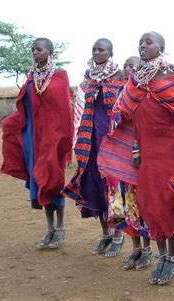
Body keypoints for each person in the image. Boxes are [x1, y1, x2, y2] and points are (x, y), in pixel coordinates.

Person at [106, 31, 174, 284]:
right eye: (140, 43)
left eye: (148, 42)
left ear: (162, 47)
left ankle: (172, 257)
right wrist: (134, 148)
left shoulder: (173, 74)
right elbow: (127, 116)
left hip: (171, 150)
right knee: (150, 203)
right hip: (145, 151)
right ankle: (161, 255)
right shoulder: (135, 79)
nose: (143, 46)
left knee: (168, 201)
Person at [1, 38, 73, 249]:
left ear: (50, 52)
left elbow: (64, 112)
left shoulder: (59, 77)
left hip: (53, 138)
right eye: (32, 49)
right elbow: (26, 107)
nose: (34, 52)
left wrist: (62, 141)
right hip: (33, 137)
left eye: (39, 49)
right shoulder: (32, 77)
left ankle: (60, 227)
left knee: (53, 180)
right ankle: (49, 228)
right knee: (40, 180)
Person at [63, 38, 126, 257]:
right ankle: (105, 233)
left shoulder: (119, 76)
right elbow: (80, 109)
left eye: (102, 49)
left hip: (110, 140)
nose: (97, 52)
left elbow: (122, 108)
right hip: (88, 140)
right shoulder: (88, 77)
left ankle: (119, 234)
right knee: (93, 185)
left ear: (111, 52)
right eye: (94, 49)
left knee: (112, 185)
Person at [97, 55, 153, 270]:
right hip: (123, 157)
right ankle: (136, 248)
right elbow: (115, 122)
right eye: (127, 66)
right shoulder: (123, 93)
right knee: (128, 205)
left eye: (134, 65)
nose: (130, 69)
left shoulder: (147, 93)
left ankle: (148, 249)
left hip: (143, 156)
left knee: (142, 205)